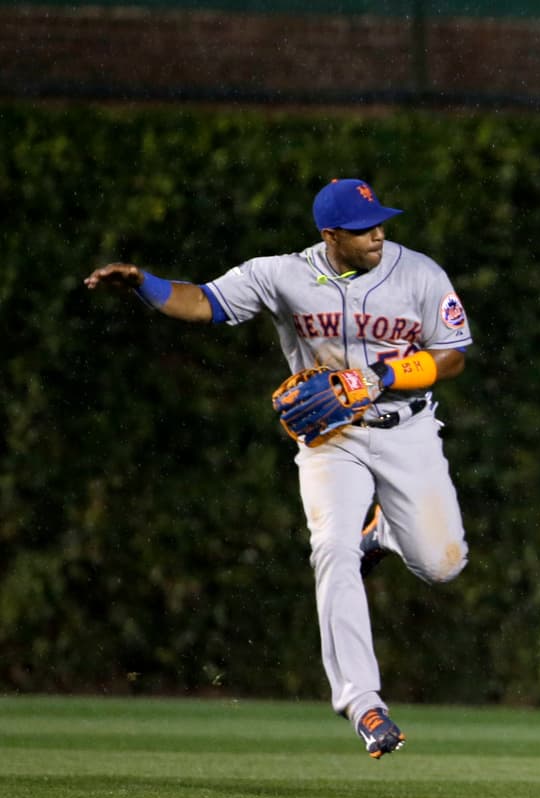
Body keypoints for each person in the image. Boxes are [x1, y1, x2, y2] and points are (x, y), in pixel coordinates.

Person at [85, 178, 475, 758]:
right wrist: (146, 284)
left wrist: (381, 377)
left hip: (408, 428)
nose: (379, 234)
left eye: (380, 222)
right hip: (331, 439)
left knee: (444, 564)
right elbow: (205, 302)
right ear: (330, 236)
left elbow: (453, 355)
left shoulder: (418, 273)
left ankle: (387, 529)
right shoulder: (283, 274)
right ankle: (363, 703)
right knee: (332, 550)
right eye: (364, 228)